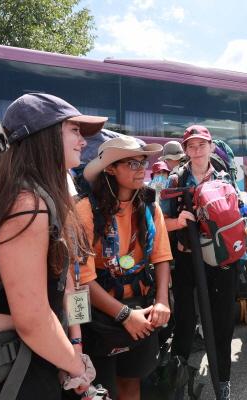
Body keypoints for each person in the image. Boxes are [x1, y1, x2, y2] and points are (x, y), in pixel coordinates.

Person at [0, 93, 106, 399]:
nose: (83, 142)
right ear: (47, 135)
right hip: (7, 372)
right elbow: (32, 320)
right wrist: (78, 370)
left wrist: (75, 346)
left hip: (33, 359)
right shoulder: (27, 205)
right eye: (75, 130)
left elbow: (70, 288)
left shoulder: (44, 199)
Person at [76, 136, 171, 400]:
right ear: (109, 169)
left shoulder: (150, 206)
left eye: (142, 161)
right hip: (101, 315)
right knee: (102, 387)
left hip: (143, 308)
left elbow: (161, 257)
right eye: (131, 163)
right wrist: (125, 316)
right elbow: (82, 279)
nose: (141, 168)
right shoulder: (86, 210)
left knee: (132, 381)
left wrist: (162, 301)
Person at [161, 125, 238, 400]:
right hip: (186, 257)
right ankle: (178, 380)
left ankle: (223, 380)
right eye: (191, 146)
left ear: (210, 145)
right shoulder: (174, 180)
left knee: (223, 321)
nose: (196, 150)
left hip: (220, 260)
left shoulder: (225, 176)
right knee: (184, 320)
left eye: (201, 144)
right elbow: (159, 223)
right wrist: (178, 222)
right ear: (185, 149)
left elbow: (242, 212)